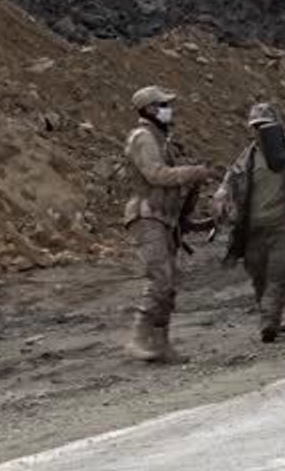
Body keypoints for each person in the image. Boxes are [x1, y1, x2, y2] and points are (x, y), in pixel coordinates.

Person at [122, 85, 219, 363]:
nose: (169, 110)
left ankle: (160, 344)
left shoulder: (161, 139)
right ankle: (139, 338)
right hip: (147, 216)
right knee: (160, 278)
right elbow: (156, 175)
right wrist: (193, 172)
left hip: (164, 218)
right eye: (164, 105)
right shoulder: (143, 138)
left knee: (169, 285)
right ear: (150, 109)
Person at [212, 102, 285, 343]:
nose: (260, 131)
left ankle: (269, 322)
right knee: (258, 277)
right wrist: (222, 195)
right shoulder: (247, 158)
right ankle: (275, 319)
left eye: (265, 125)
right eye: (256, 126)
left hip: (283, 227)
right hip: (254, 230)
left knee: (278, 276)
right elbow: (230, 179)